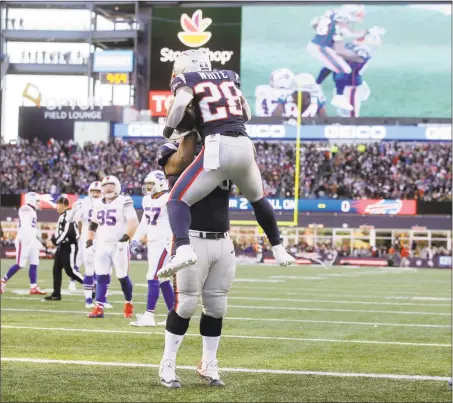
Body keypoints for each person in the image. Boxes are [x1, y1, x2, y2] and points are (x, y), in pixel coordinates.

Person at [159, 49, 295, 278]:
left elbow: (181, 104)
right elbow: (247, 113)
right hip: (244, 143)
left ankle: (182, 248)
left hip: (217, 144)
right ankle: (279, 249)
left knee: (176, 200)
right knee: (259, 199)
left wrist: (168, 130)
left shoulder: (187, 80)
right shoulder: (228, 76)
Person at [157, 133, 236, 388]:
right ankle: (168, 362)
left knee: (216, 306)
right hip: (191, 238)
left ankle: (208, 364)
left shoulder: (222, 144)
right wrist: (193, 129)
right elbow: (181, 161)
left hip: (222, 238)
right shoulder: (172, 147)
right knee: (186, 303)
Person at [86, 175, 139, 319]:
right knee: (101, 276)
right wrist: (89, 241)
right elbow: (93, 224)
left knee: (122, 276)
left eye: (111, 185)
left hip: (118, 245)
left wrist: (125, 238)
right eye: (105, 186)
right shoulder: (97, 203)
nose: (108, 188)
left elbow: (133, 221)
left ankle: (128, 302)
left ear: (117, 187)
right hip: (102, 244)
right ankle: (99, 307)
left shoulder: (124, 201)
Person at [306, 5, 373, 111]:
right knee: (344, 69)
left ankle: (316, 85)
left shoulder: (333, 13)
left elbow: (338, 37)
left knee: (333, 63)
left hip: (320, 45)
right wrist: (365, 33)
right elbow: (343, 41)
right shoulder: (341, 18)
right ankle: (338, 97)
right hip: (320, 47)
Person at [129, 171, 174, 327]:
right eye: (147, 183)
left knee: (153, 276)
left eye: (151, 183)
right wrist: (135, 239)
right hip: (153, 243)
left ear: (160, 183)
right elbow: (144, 223)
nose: (148, 186)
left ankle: (149, 315)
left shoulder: (168, 199)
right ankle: (173, 315)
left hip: (165, 243)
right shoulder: (147, 199)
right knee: (162, 278)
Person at [73, 181, 112, 308]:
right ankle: (88, 300)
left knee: (106, 271)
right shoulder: (83, 203)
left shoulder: (108, 203)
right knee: (89, 270)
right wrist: (80, 235)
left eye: (97, 192)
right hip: (88, 240)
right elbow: (78, 221)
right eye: (93, 192)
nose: (95, 194)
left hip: (102, 239)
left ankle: (103, 299)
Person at [1, 192, 46, 295]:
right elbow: (26, 226)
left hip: (31, 240)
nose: (39, 203)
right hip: (24, 239)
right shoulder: (25, 208)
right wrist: (31, 239)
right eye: (37, 200)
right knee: (20, 264)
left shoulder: (32, 210)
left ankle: (33, 287)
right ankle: (3, 280)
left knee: (34, 263)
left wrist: (35, 240)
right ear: (31, 200)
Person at [333, 31, 384, 117]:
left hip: (351, 86)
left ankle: (350, 128)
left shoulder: (363, 52)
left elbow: (350, 64)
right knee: (344, 112)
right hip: (347, 83)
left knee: (351, 114)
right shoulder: (361, 49)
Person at [44, 196, 84, 301]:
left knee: (70, 271)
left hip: (69, 245)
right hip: (62, 246)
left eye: (58, 204)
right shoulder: (63, 215)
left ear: (63, 205)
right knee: (56, 270)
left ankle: (91, 286)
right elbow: (62, 232)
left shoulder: (68, 214)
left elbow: (67, 231)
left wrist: (54, 242)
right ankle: (56, 294)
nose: (56, 207)